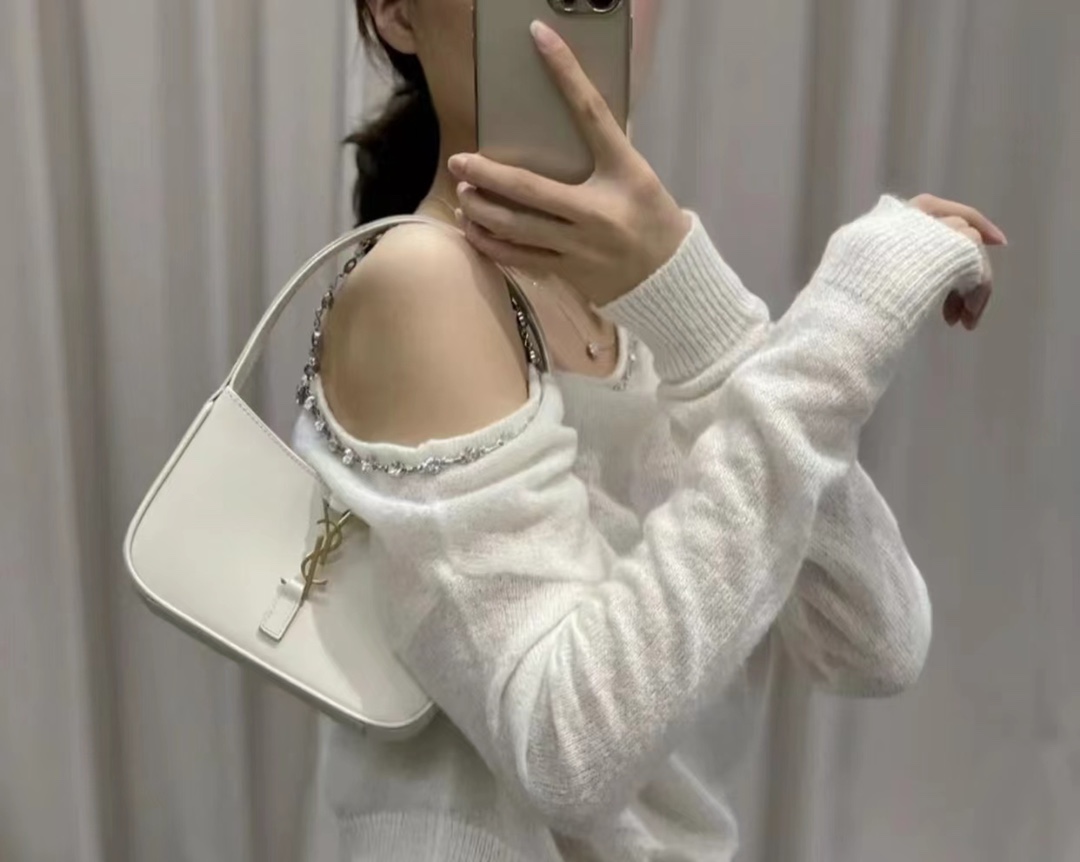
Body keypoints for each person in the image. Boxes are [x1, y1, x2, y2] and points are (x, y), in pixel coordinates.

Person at [294, 1, 1007, 859]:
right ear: (396, 14)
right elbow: (565, 750)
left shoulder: (640, 291)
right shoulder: (423, 281)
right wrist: (854, 310)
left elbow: (873, 640)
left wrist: (692, 297)